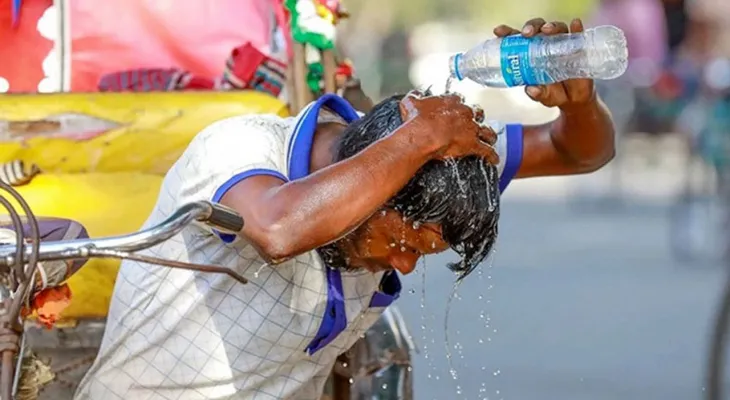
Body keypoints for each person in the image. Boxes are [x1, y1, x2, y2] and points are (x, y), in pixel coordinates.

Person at [74, 17, 615, 400]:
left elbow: (580, 151)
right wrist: (416, 141)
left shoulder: (438, 159)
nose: (404, 266)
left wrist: (579, 101)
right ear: (378, 184)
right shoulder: (238, 149)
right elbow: (279, 229)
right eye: (405, 243)